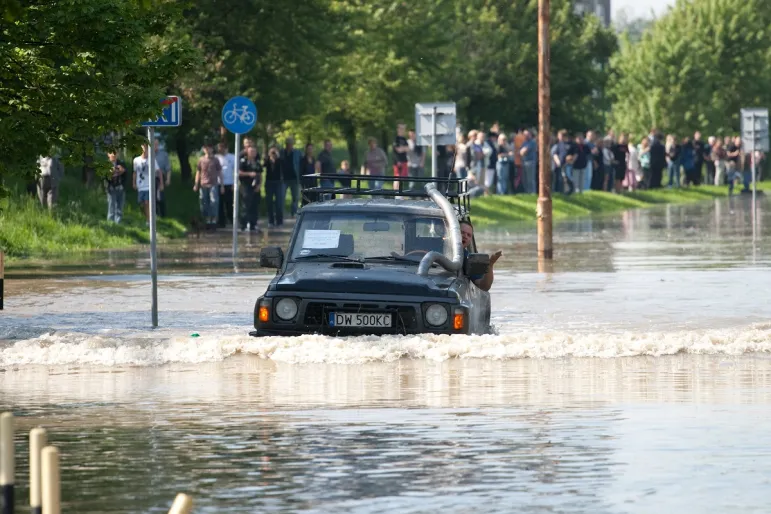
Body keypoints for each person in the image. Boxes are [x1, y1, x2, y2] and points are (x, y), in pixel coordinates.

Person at [459, 220, 501, 292]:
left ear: (470, 240)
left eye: (469, 235)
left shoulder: (468, 258)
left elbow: (484, 286)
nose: (465, 236)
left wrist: (490, 265)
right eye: (462, 232)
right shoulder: (435, 246)